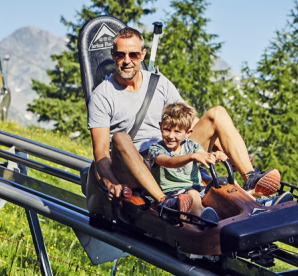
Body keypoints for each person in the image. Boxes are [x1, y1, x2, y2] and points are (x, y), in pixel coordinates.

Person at [88, 27, 280, 216]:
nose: (127, 61)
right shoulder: (102, 95)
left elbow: (190, 122)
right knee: (120, 138)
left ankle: (250, 178)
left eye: (134, 55)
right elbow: (102, 152)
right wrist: (112, 183)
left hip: (170, 151)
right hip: (134, 166)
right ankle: (164, 201)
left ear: (143, 54)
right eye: (121, 55)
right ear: (113, 55)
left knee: (217, 113)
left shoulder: (158, 82)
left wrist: (222, 151)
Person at [147, 102, 225, 223]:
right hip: (172, 193)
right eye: (167, 129)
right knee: (192, 194)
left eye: (177, 132)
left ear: (188, 133)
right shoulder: (156, 149)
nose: (171, 135)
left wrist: (214, 155)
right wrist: (192, 156)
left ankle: (249, 202)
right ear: (161, 126)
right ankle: (201, 218)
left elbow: (203, 154)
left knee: (222, 187)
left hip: (196, 188)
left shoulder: (191, 145)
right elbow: (170, 162)